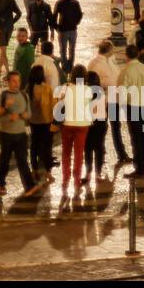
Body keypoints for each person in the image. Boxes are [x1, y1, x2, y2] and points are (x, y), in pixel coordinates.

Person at [87, 40, 130, 169]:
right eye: (112, 50)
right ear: (109, 50)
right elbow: (93, 82)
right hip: (103, 99)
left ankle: (121, 154)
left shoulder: (110, 60)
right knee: (102, 127)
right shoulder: (95, 63)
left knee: (115, 126)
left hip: (113, 98)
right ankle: (103, 152)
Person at [0, 70, 32, 198]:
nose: (16, 83)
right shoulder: (2, 97)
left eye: (18, 81)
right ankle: (1, 183)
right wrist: (7, 112)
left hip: (21, 134)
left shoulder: (24, 96)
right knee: (5, 160)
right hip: (6, 134)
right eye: (13, 81)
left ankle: (29, 186)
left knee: (23, 160)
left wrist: (23, 115)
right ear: (8, 82)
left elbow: (29, 113)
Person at [117, 44, 144, 179]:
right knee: (143, 136)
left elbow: (123, 91)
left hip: (133, 106)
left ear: (126, 55)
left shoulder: (127, 71)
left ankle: (139, 167)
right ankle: (143, 162)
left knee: (136, 137)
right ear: (138, 54)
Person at [59, 64, 92, 199]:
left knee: (66, 152)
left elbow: (60, 103)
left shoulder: (65, 88)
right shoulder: (88, 89)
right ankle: (77, 179)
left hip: (67, 124)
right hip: (82, 124)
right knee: (79, 153)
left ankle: (65, 177)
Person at [26, 64, 56, 184]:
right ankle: (48, 173)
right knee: (47, 147)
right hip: (46, 121)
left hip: (33, 121)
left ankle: (34, 170)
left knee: (34, 146)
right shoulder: (47, 88)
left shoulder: (28, 88)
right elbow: (53, 106)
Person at [51, 0, 83, 73]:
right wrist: (76, 23)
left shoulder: (59, 3)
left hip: (63, 30)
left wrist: (56, 28)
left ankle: (65, 67)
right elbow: (80, 15)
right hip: (73, 29)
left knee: (63, 50)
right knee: (72, 49)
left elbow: (54, 17)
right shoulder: (75, 2)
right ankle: (71, 66)